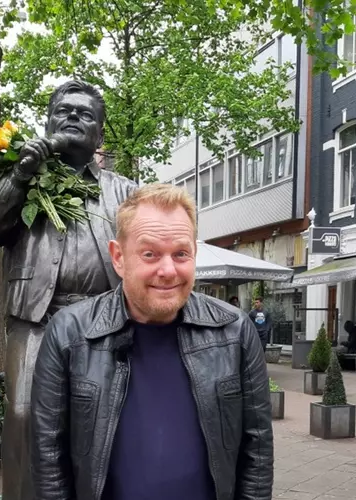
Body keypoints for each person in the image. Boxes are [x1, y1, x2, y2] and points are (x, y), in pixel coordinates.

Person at [30, 183, 273, 500]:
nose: (168, 270)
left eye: (181, 254)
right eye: (150, 254)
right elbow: (49, 460)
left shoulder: (235, 332)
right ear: (118, 257)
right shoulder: (69, 333)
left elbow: (257, 452)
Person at [0, 81, 138, 500]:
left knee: (102, 421)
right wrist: (22, 174)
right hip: (36, 321)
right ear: (47, 120)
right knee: (23, 415)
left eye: (86, 113)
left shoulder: (125, 191)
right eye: (65, 110)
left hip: (103, 324)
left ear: (99, 134)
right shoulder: (17, 176)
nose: (75, 117)